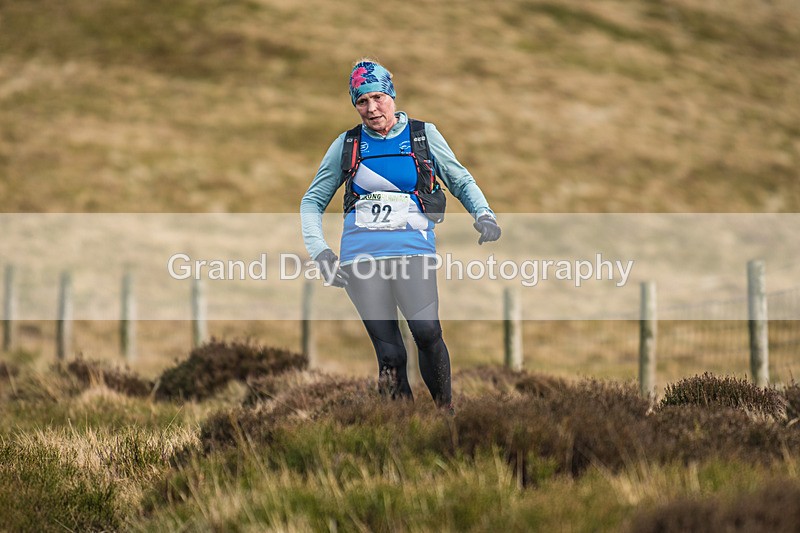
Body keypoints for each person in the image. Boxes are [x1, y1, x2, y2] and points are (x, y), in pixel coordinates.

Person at [300, 59, 500, 410]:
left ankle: (445, 415)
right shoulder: (347, 144)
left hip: (413, 251)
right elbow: (312, 200)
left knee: (426, 332)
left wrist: (483, 214)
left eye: (378, 97)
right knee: (390, 354)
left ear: (391, 95)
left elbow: (459, 179)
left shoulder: (423, 135)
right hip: (361, 258)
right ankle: (401, 430)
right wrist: (321, 253)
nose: (371, 108)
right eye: (361, 101)